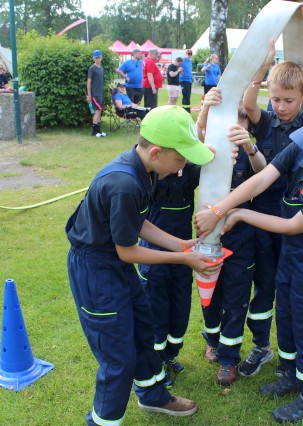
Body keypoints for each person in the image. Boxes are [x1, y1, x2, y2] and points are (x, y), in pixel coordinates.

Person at [195, 103, 303, 422]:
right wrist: (219, 209)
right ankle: (291, 372)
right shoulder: (302, 148)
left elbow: (293, 225)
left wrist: (240, 214)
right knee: (287, 316)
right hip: (291, 256)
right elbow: (261, 179)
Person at [66, 105, 219, 426]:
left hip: (113, 263)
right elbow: (128, 251)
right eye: (180, 159)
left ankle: (153, 395)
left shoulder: (146, 171)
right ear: (156, 151)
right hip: (96, 269)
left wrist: (180, 244)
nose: (184, 165)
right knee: (117, 356)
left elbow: (139, 223)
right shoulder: (124, 184)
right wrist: (185, 259)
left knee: (142, 330)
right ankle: (101, 421)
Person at [238, 0, 303, 381]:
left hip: (298, 216)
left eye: (289, 100)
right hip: (264, 213)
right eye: (276, 99)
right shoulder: (267, 120)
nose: (281, 106)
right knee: (264, 285)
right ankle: (262, 346)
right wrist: (263, 64)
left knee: (290, 288)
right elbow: (247, 101)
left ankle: (293, 358)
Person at [195, 89, 267, 386]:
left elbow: (263, 174)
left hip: (240, 237)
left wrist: (249, 148)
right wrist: (203, 114)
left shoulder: (252, 151)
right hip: (207, 235)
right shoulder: (208, 147)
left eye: (242, 124)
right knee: (210, 294)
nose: (234, 130)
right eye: (228, 123)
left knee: (236, 297)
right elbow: (193, 144)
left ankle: (228, 358)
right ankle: (212, 339)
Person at [87, 50, 106, 138]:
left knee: (99, 111)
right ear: (93, 58)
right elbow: (89, 82)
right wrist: (89, 95)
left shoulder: (101, 68)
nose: (98, 59)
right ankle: (94, 131)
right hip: (95, 94)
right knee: (97, 111)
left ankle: (98, 130)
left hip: (100, 94)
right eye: (96, 57)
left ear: (101, 57)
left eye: (99, 57)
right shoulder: (92, 68)